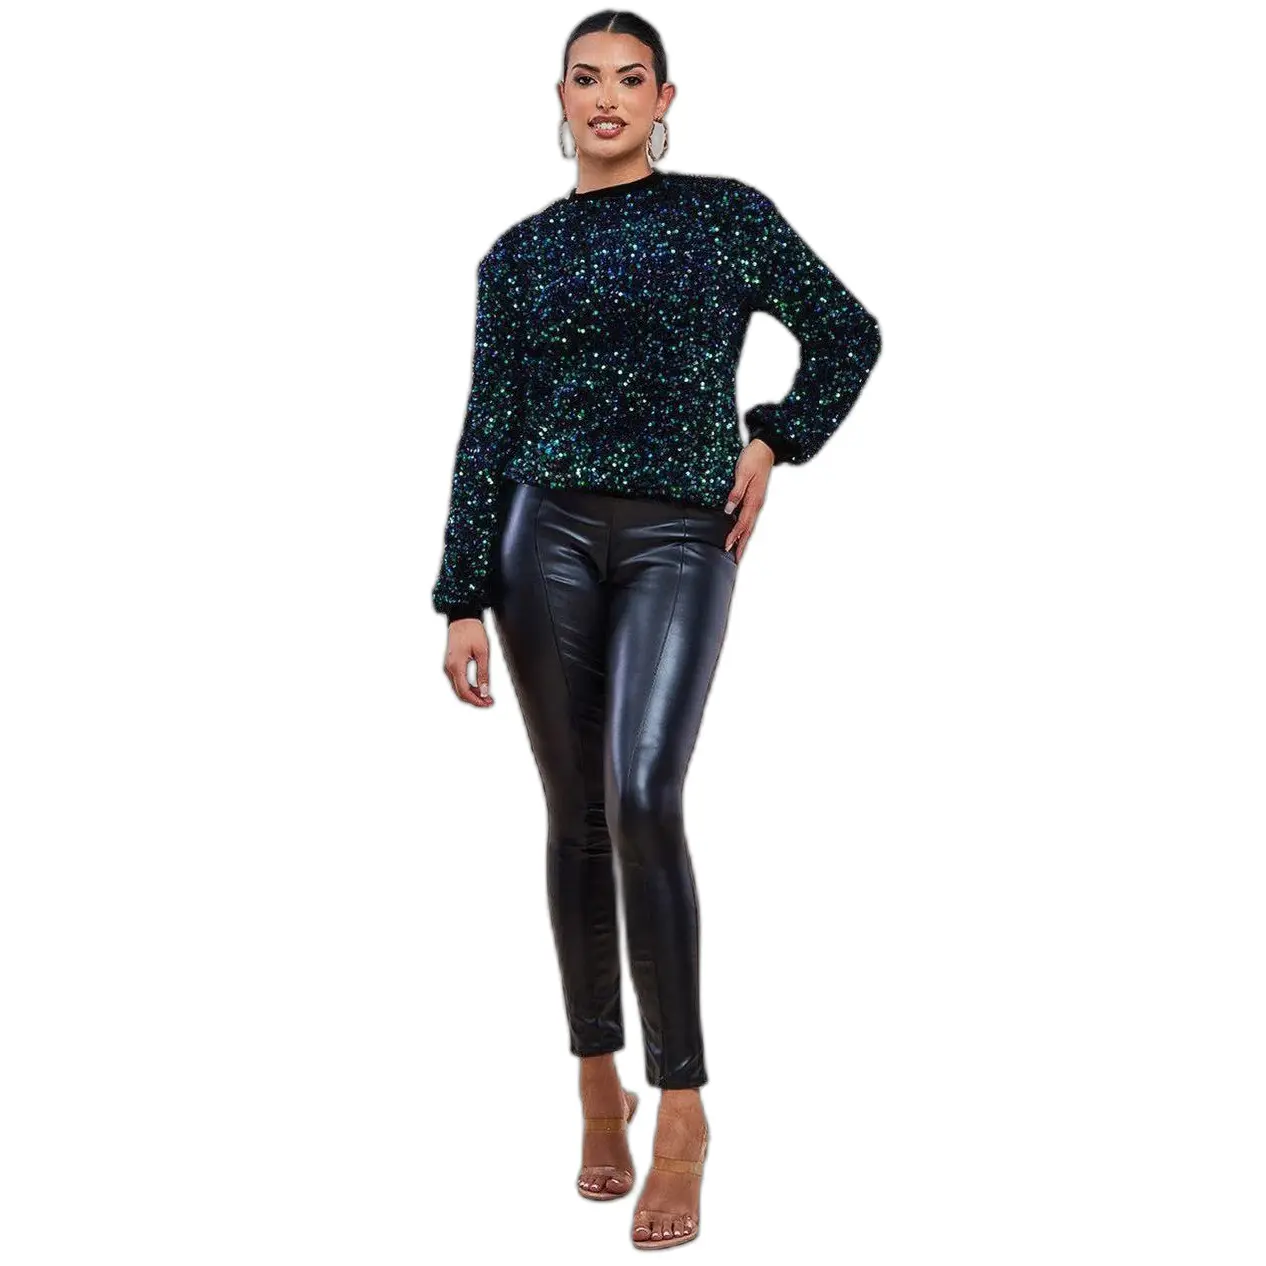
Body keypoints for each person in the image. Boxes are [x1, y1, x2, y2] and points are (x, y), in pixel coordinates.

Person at [432, 11, 881, 1250]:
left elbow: (849, 331)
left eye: (632, 80)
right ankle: (597, 1081)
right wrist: (460, 592)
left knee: (642, 792)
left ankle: (683, 1106)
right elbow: (487, 425)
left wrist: (775, 439)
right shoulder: (518, 254)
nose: (608, 98)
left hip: (685, 534)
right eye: (587, 79)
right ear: (559, 97)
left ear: (665, 98)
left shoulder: (726, 215)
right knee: (574, 809)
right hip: (541, 538)